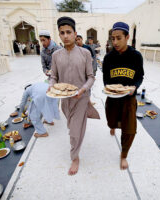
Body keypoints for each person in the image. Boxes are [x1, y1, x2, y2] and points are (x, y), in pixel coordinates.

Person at [49, 16, 99, 175]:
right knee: (71, 127)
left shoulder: (85, 53)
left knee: (75, 131)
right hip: (65, 100)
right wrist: (51, 87)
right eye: (62, 33)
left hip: (81, 98)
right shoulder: (56, 55)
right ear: (59, 35)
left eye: (68, 32)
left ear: (75, 33)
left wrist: (83, 90)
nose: (65, 36)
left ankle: (75, 157)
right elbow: (54, 77)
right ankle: (75, 143)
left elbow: (91, 77)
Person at [102, 22, 144, 170]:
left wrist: (135, 86)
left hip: (129, 98)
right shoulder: (108, 58)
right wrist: (110, 88)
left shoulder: (136, 56)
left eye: (118, 38)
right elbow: (106, 79)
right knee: (112, 122)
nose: (115, 42)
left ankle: (123, 155)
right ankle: (114, 126)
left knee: (130, 129)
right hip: (112, 99)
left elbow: (140, 76)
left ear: (127, 37)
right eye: (112, 38)